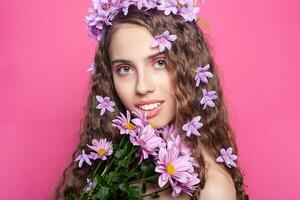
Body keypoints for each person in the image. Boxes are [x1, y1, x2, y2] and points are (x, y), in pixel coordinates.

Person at [54, 1, 249, 200]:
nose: (142, 87)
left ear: (189, 66)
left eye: (160, 63)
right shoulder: (113, 165)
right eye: (125, 69)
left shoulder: (211, 190)